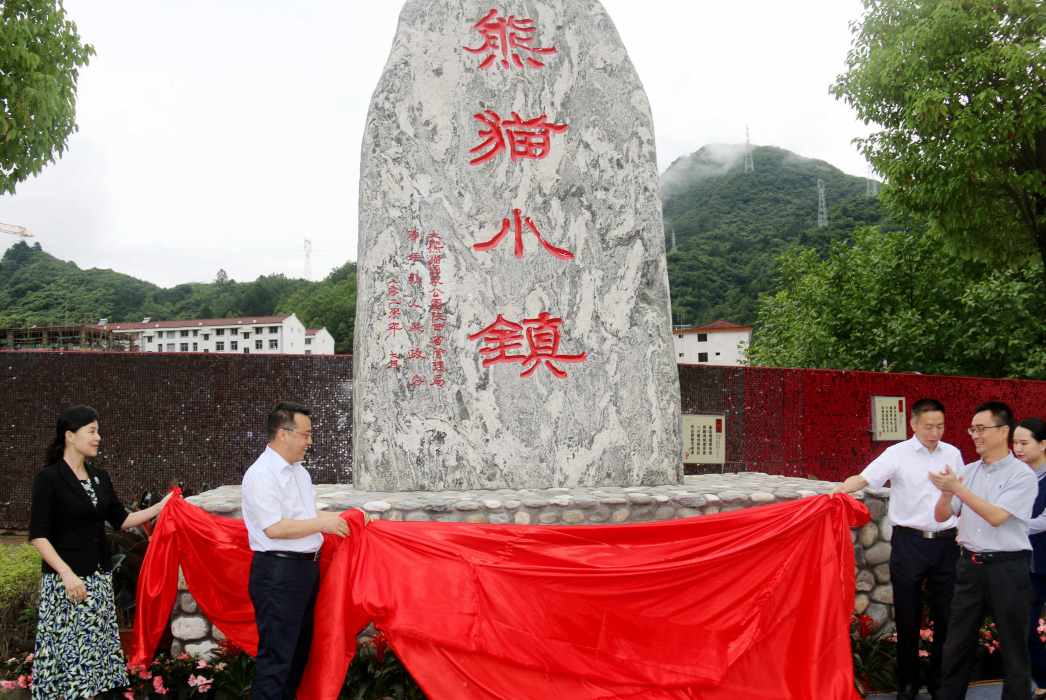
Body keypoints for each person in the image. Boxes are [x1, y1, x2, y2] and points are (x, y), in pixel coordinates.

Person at [28, 405, 171, 699]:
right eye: (91, 431)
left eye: (98, 431)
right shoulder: (49, 478)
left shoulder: (99, 477)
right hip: (66, 587)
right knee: (67, 663)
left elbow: (121, 519)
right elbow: (38, 536)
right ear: (70, 436)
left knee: (95, 663)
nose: (98, 438)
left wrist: (161, 507)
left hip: (98, 582)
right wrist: (66, 574)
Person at [834, 398, 962, 699]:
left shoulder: (953, 453)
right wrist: (838, 490)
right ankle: (907, 684)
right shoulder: (898, 454)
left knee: (947, 617)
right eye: (929, 426)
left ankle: (939, 682)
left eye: (940, 426)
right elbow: (865, 478)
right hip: (910, 543)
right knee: (907, 617)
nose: (935, 432)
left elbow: (962, 493)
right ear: (914, 424)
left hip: (946, 543)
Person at [242, 401, 349, 700]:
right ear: (283, 434)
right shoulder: (261, 474)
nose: (309, 442)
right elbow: (274, 528)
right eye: (305, 435)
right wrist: (323, 523)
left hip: (304, 571)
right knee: (276, 661)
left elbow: (303, 517)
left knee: (297, 658)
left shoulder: (300, 473)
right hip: (278, 573)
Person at [931, 401, 1037, 700]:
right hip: (970, 566)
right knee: (957, 643)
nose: (975, 435)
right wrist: (946, 492)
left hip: (1007, 567)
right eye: (972, 429)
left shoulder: (1022, 475)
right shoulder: (967, 471)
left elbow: (996, 517)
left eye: (981, 429)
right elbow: (942, 515)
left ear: (1004, 430)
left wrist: (958, 488)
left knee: (1013, 645)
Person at [1016, 417, 1046, 697]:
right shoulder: (1016, 476)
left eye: (1024, 443)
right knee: (1024, 628)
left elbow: (1042, 522)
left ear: (1043, 444)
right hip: (1030, 567)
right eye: (1014, 443)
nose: (1017, 449)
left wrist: (1004, 518)